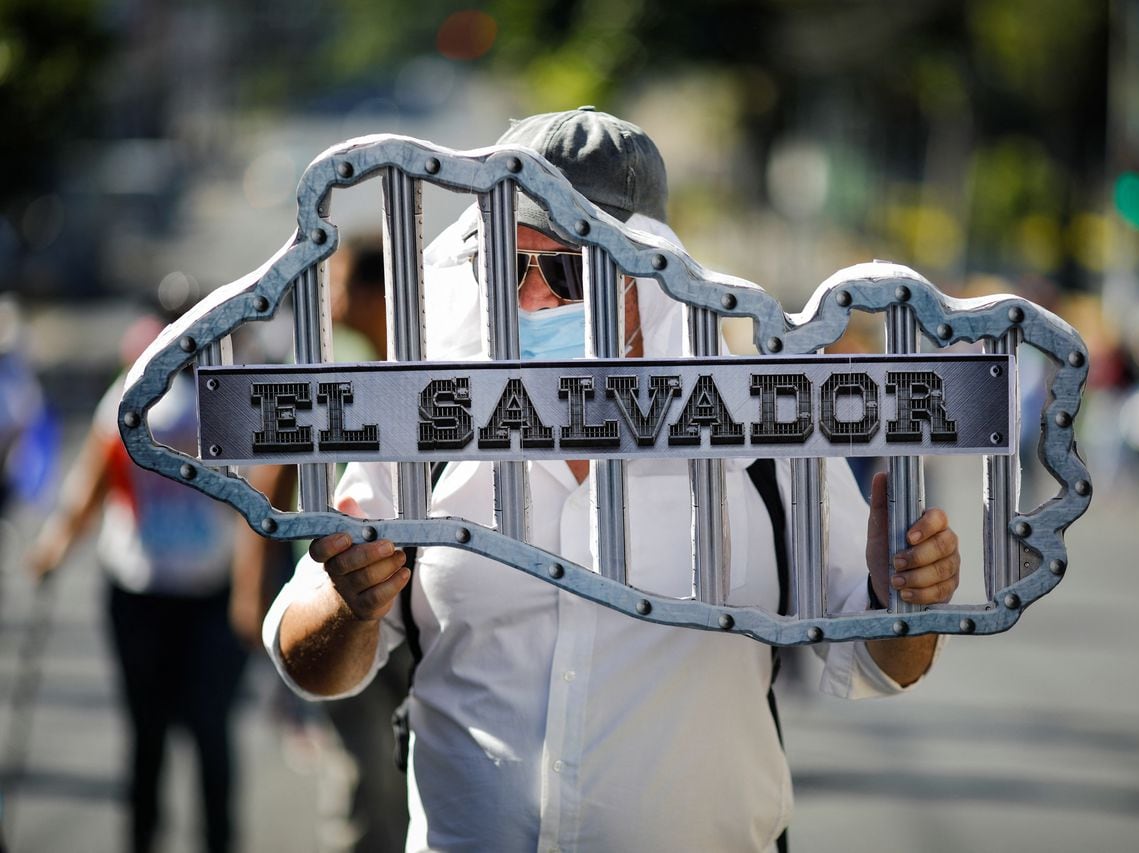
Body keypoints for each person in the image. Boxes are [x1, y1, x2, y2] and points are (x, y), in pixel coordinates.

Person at [263, 107, 961, 852]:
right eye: (503, 265)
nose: (527, 297)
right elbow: (312, 664)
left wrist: (904, 595)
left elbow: (881, 663)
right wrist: (348, 602)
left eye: (563, 270)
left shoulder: (758, 435)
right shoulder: (425, 427)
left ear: (646, 273)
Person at [28, 313, 246, 853]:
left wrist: (56, 547)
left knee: (185, 736)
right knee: (180, 736)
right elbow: (96, 483)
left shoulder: (185, 400)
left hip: (190, 594)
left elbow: (89, 488)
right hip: (152, 591)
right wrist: (55, 546)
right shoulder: (146, 400)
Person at [230, 235, 411, 853]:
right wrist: (254, 586)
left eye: (339, 288)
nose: (328, 302)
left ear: (378, 295)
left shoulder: (443, 366)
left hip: (422, 611)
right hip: (341, 600)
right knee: (365, 777)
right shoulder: (331, 373)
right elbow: (271, 478)